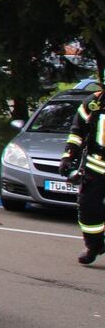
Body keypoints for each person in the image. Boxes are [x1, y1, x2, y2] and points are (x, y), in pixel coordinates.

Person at [59, 88, 105, 265]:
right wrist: (68, 157)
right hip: (96, 165)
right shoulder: (94, 102)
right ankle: (94, 246)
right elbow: (77, 132)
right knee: (87, 207)